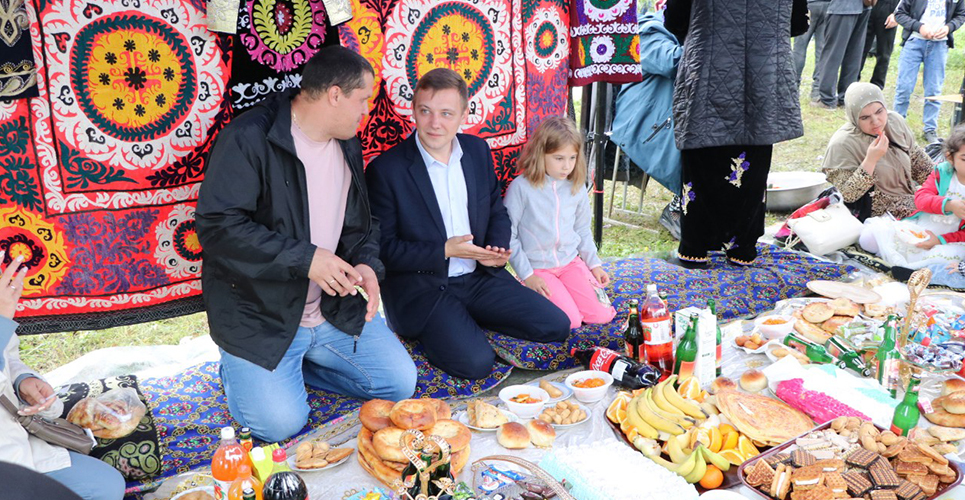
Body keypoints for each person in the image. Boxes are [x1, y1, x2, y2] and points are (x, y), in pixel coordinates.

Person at [195, 46, 417, 443]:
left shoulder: (346, 140)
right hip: (261, 317)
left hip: (331, 308)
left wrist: (366, 263)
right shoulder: (249, 138)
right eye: (362, 99)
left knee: (399, 383)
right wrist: (307, 259)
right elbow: (217, 227)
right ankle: (240, 371)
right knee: (279, 424)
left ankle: (301, 368)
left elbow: (361, 222)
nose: (366, 109)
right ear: (335, 95)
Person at [365, 68, 571, 380]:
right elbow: (384, 250)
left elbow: (496, 209)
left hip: (479, 278)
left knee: (556, 325)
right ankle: (451, 327)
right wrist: (443, 250)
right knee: (476, 364)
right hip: (424, 289)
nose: (435, 123)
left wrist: (496, 249)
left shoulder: (476, 151)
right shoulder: (386, 169)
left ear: (463, 114)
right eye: (425, 111)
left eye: (446, 113)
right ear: (414, 110)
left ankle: (464, 322)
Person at [664, 0, 808, 268]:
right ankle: (742, 249)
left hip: (708, 65)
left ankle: (695, 249)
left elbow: (675, 19)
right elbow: (798, 23)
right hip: (763, 71)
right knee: (752, 159)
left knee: (702, 155)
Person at [0, 253, 125, 500]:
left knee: (105, 486)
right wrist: (2, 321)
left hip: (13, 440)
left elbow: (8, 354)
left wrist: (23, 380)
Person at [504, 117, 617, 330]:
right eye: (559, 158)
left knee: (602, 315)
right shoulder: (521, 188)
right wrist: (528, 275)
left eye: (572, 158)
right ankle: (525, 290)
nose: (567, 166)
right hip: (538, 269)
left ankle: (570, 294)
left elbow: (582, 229)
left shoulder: (576, 186)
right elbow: (509, 235)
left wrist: (594, 265)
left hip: (570, 263)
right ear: (541, 154)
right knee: (570, 321)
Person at [611, 3, 684, 239]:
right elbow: (673, 62)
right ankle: (679, 206)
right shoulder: (648, 29)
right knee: (697, 139)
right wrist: (715, 40)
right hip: (643, 122)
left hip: (666, 116)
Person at [823, 82, 933, 222]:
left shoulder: (894, 122)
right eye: (865, 117)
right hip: (878, 215)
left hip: (909, 198)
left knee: (947, 204)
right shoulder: (842, 144)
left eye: (879, 111)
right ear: (854, 117)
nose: (875, 121)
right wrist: (871, 160)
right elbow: (848, 195)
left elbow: (918, 161)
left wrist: (943, 184)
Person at [889, 124, 965, 282]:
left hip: (951, 239)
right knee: (885, 237)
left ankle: (915, 271)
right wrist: (949, 205)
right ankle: (910, 267)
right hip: (923, 228)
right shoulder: (943, 172)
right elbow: (921, 199)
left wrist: (939, 240)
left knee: (948, 257)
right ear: (950, 157)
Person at [893, 0, 965, 145]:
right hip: (914, 42)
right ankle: (897, 127)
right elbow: (899, 14)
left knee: (934, 90)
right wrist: (919, 27)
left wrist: (949, 27)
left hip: (939, 46)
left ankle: (930, 129)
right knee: (904, 87)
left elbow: (961, 15)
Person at [816, 0, 871, 109]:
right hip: (864, 6)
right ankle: (846, 98)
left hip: (842, 6)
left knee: (832, 53)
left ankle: (827, 99)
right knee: (854, 54)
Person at [793, 0, 831, 102]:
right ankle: (817, 90)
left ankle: (794, 87)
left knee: (799, 49)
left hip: (808, 5)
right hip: (827, 6)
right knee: (821, 50)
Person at [860, 0, 901, 90]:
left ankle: (877, 86)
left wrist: (897, 13)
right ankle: (852, 83)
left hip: (889, 7)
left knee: (884, 53)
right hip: (868, 4)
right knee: (859, 49)